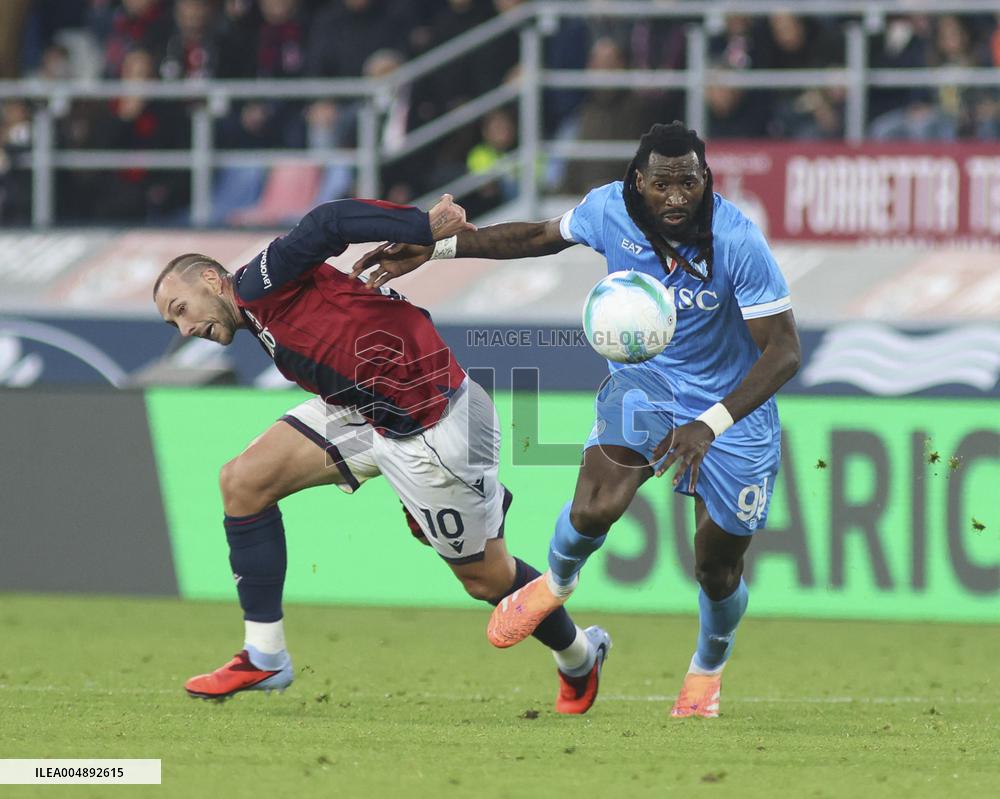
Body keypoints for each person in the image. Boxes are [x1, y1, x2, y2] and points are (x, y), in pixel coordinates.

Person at [352, 122, 801, 719]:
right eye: (662, 183)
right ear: (638, 181)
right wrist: (438, 248)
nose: (676, 197)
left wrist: (711, 423)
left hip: (733, 408)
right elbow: (537, 236)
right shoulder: (608, 209)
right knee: (596, 505)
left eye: (689, 183)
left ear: (705, 181)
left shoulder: (737, 240)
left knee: (716, 568)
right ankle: (553, 586)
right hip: (649, 383)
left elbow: (785, 351)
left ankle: (707, 669)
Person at [152, 194, 610, 714]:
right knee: (242, 482)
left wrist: (422, 225)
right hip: (365, 413)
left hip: (435, 424)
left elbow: (329, 221)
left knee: (488, 578)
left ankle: (579, 655)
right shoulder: (260, 315)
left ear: (212, 282)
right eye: (174, 325)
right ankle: (265, 654)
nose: (186, 328)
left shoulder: (259, 281)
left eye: (182, 310)